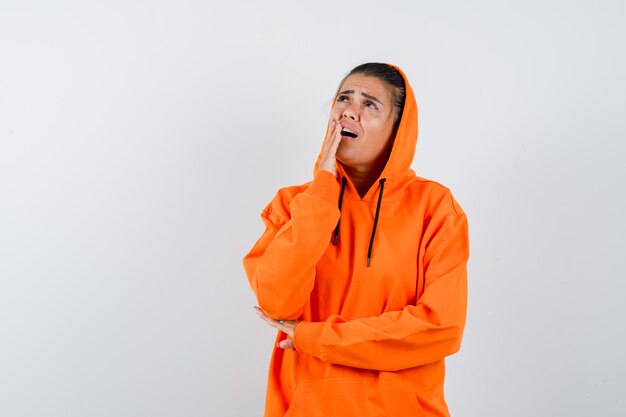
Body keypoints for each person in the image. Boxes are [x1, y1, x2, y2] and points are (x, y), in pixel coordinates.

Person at [243, 63, 470, 417]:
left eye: (369, 104)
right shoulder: (292, 205)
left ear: (398, 129)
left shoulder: (435, 208)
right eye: (343, 99)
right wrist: (321, 191)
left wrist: (314, 337)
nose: (349, 110)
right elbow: (277, 303)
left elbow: (440, 328)